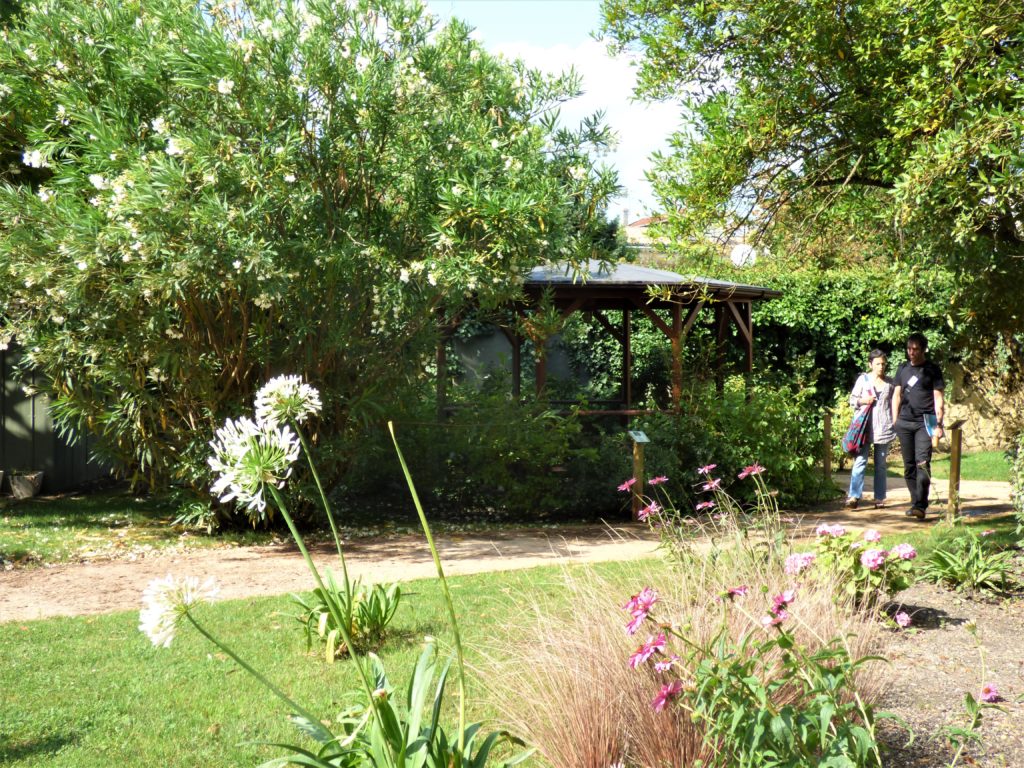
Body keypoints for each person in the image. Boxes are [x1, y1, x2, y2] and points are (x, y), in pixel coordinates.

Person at [891, 332, 945, 519]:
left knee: (922, 463)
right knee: (909, 466)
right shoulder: (902, 369)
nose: (911, 353)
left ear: (923, 350)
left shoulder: (932, 370)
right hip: (904, 423)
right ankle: (915, 502)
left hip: (925, 422)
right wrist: (895, 420)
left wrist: (939, 424)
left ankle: (921, 505)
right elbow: (896, 395)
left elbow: (938, 398)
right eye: (909, 349)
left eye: (915, 349)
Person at [845, 349, 895, 509]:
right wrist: (863, 400)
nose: (881, 367)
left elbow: (895, 403)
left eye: (883, 364)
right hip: (864, 428)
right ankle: (854, 496)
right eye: (877, 364)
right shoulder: (863, 380)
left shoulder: (890, 382)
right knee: (860, 461)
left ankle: (879, 498)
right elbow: (852, 400)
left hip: (884, 428)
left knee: (880, 465)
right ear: (870, 364)